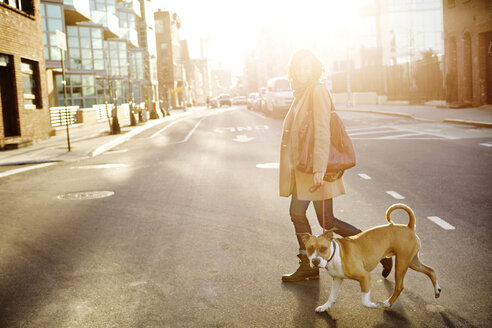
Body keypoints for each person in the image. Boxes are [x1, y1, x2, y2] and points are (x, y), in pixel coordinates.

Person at [279, 49, 393, 282]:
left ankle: (378, 251)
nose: (303, 72)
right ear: (293, 71)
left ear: (314, 68)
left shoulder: (317, 91)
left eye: (307, 67)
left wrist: (321, 166)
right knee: (308, 216)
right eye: (299, 68)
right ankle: (308, 263)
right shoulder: (300, 94)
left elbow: (322, 129)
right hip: (302, 169)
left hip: (314, 169)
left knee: (317, 219)